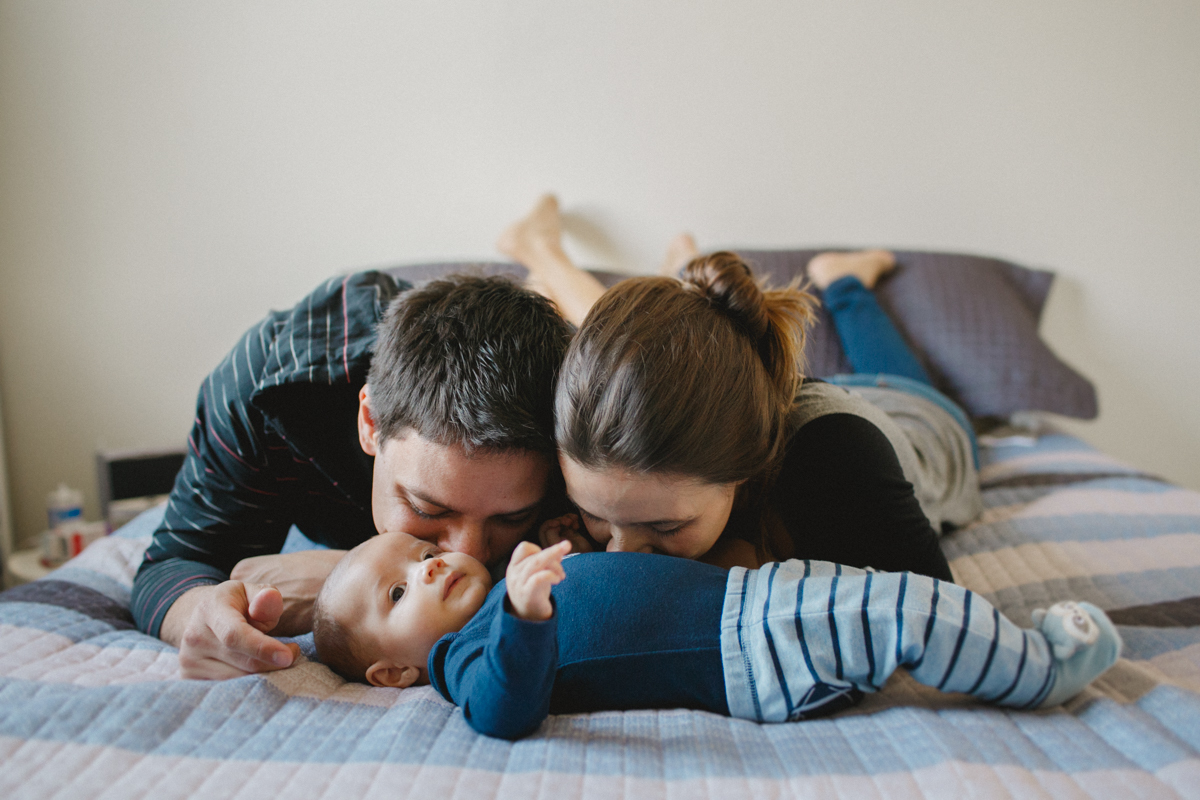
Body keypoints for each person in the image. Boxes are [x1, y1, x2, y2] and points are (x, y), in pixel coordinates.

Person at [498, 195, 981, 578]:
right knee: (625, 362)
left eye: (666, 525)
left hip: (917, 415)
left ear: (749, 466)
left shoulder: (840, 462)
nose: (619, 556)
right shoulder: (595, 450)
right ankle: (669, 273)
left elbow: (938, 620)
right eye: (596, 516)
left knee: (901, 379)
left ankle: (845, 282)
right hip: (782, 392)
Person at [131, 272, 573, 679]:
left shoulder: (578, 417)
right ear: (370, 423)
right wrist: (204, 615)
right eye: (427, 508)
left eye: (512, 518)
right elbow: (172, 564)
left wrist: (330, 577)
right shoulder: (261, 393)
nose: (468, 554)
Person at [312, 526, 1122, 741]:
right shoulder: (462, 659)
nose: (426, 567)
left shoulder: (505, 587)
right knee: (902, 612)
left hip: (750, 600)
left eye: (419, 551)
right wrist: (524, 616)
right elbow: (502, 712)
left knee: (882, 594)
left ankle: (997, 645)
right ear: (393, 673)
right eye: (398, 591)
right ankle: (1039, 668)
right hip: (746, 650)